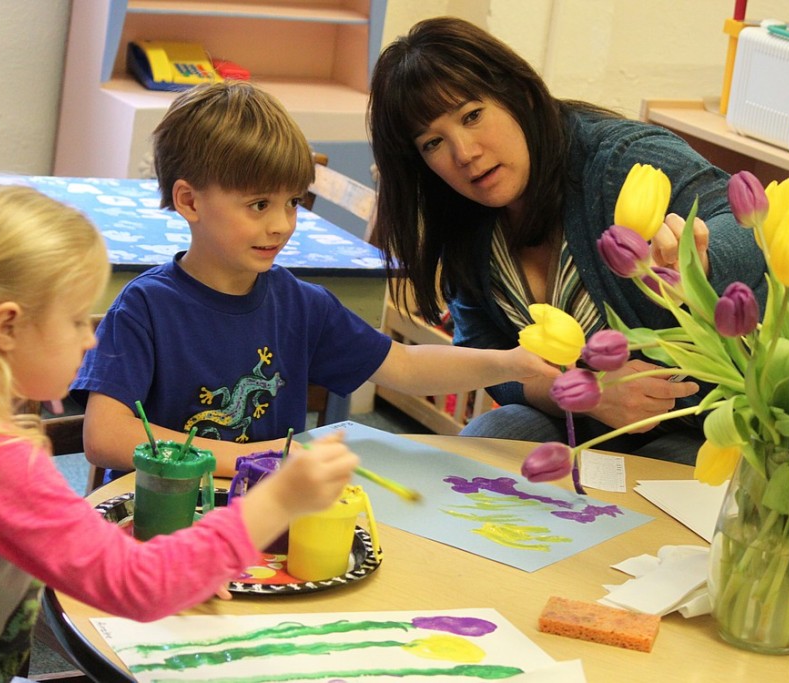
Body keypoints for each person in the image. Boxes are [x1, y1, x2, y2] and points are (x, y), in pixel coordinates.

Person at [71, 80, 556, 478]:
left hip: (265, 517)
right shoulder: (145, 308)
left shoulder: (301, 304)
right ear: (190, 201)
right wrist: (252, 459)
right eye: (259, 204)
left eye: (292, 202)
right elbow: (107, 437)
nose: (282, 224)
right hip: (163, 522)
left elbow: (404, 366)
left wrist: (509, 363)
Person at [0, 184, 361, 680]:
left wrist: (191, 561)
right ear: (7, 327)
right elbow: (138, 587)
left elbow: (61, 545)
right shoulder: (2, 466)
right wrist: (279, 501)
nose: (90, 337)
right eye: (76, 319)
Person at [367, 17, 768, 465]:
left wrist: (700, 264)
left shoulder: (617, 160)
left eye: (473, 115)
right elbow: (490, 358)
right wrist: (587, 396)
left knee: (655, 487)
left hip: (705, 418)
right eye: (433, 142)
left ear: (516, 93)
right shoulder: (461, 216)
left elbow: (751, 227)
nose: (465, 153)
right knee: (489, 438)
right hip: (585, 418)